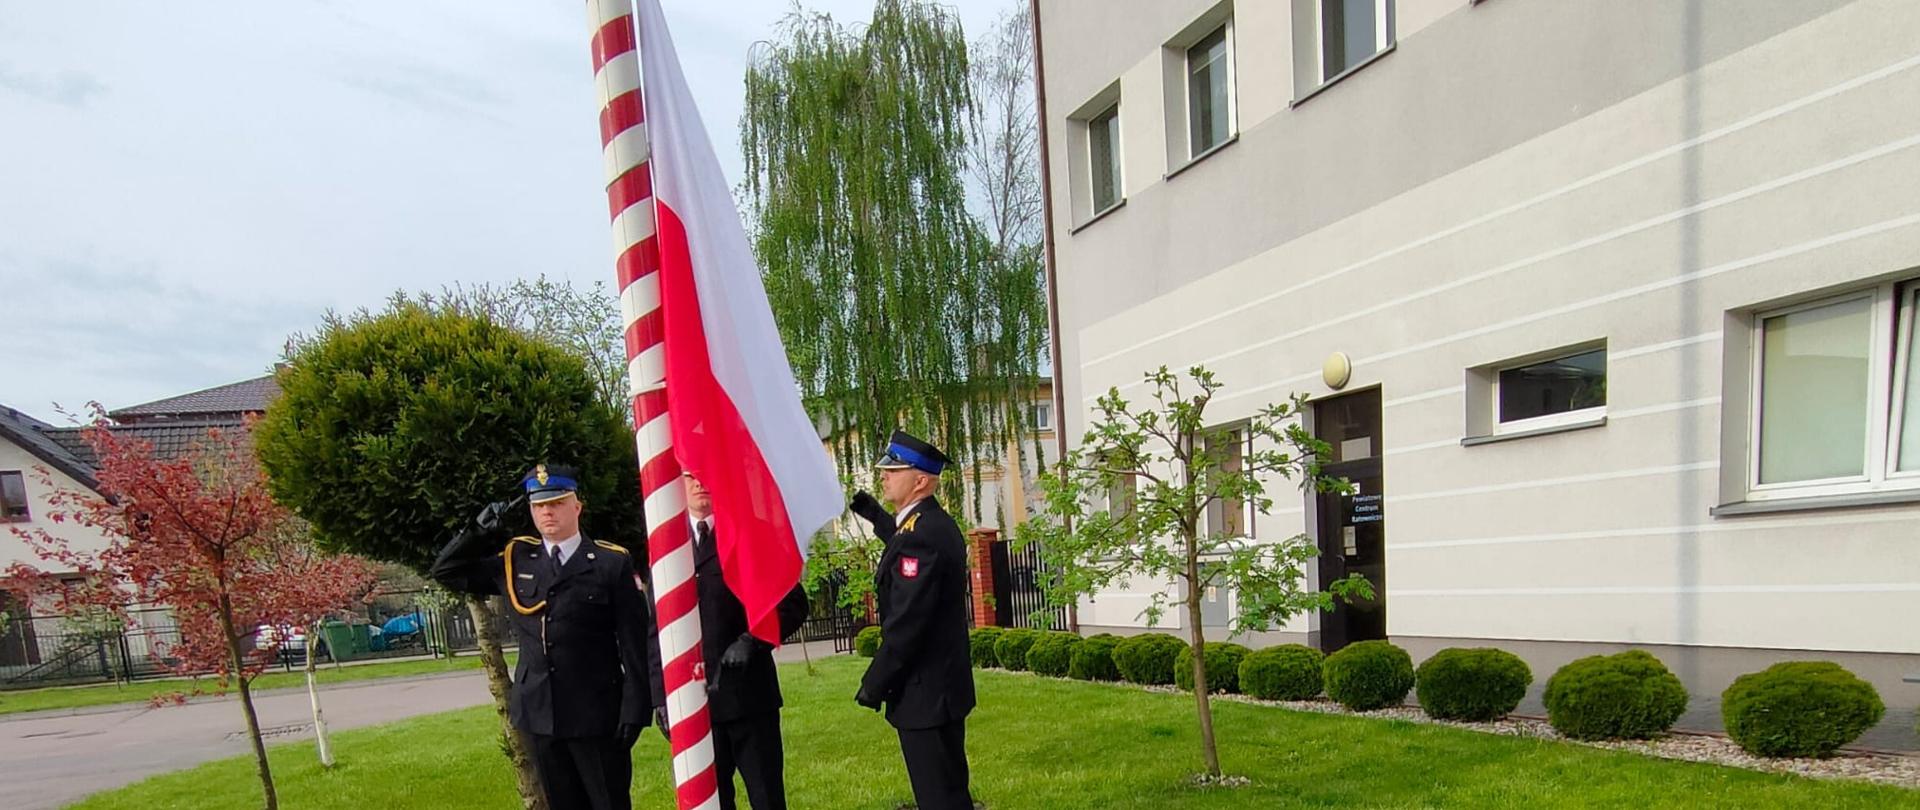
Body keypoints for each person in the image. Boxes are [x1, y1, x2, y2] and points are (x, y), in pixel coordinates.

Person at [430, 463, 662, 810]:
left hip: (597, 713)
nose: (547, 512)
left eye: (556, 503)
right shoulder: (518, 557)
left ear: (577, 506)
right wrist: (478, 532)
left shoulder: (608, 562)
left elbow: (634, 643)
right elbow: (446, 572)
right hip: (540, 713)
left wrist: (635, 709)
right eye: (539, 506)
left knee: (608, 802)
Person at [847, 430, 977, 810]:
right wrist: (875, 516)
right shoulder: (927, 524)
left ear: (920, 480)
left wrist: (874, 683)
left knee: (939, 797)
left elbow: (908, 624)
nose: (884, 475)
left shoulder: (923, 535)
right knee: (948, 791)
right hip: (939, 688)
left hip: (925, 692)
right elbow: (905, 542)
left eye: (895, 469)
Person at [681, 471, 812, 810]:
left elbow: (793, 603)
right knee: (713, 801)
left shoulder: (750, 532)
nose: (699, 483)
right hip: (695, 704)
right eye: (689, 476)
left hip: (749, 697)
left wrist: (753, 639)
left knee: (766, 797)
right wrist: (661, 701)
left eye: (706, 473)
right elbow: (655, 631)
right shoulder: (668, 544)